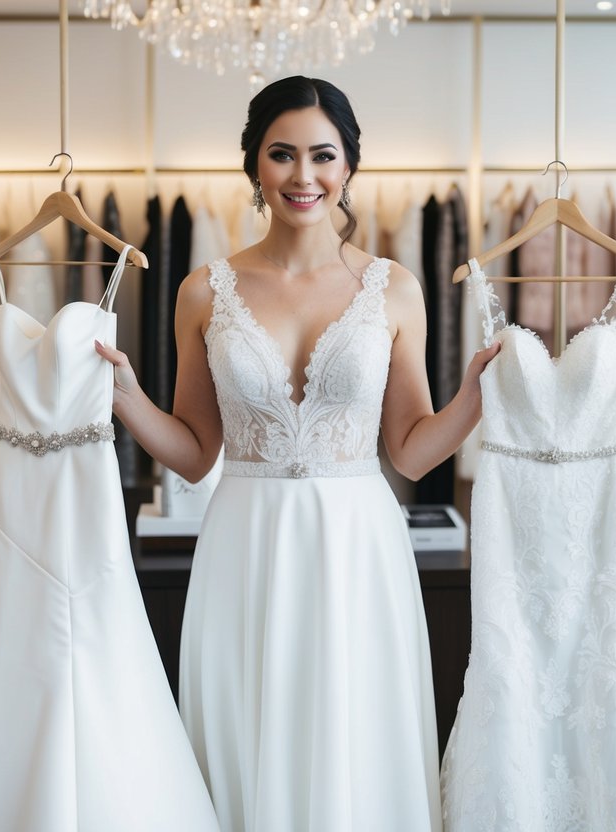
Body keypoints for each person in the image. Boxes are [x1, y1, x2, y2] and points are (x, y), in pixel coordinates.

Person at [96, 75, 499, 831]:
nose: (303, 176)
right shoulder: (202, 291)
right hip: (244, 540)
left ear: (348, 164)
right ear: (253, 166)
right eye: (282, 155)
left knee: (355, 727)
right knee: (252, 719)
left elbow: (410, 454)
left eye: (323, 154)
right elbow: (191, 453)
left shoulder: (394, 287)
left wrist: (472, 399)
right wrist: (126, 398)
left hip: (357, 545)